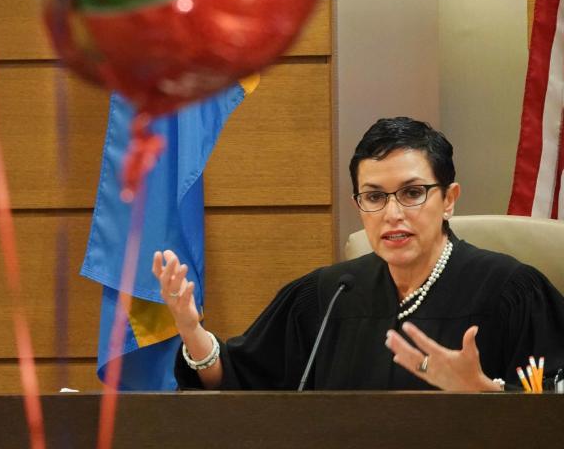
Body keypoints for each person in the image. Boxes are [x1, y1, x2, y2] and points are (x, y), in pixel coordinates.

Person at [154, 116, 564, 391]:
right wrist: (194, 334)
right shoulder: (328, 295)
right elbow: (243, 382)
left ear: (449, 200)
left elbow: (550, 410)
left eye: (412, 193)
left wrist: (489, 395)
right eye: (374, 197)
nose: (393, 214)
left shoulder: (511, 292)